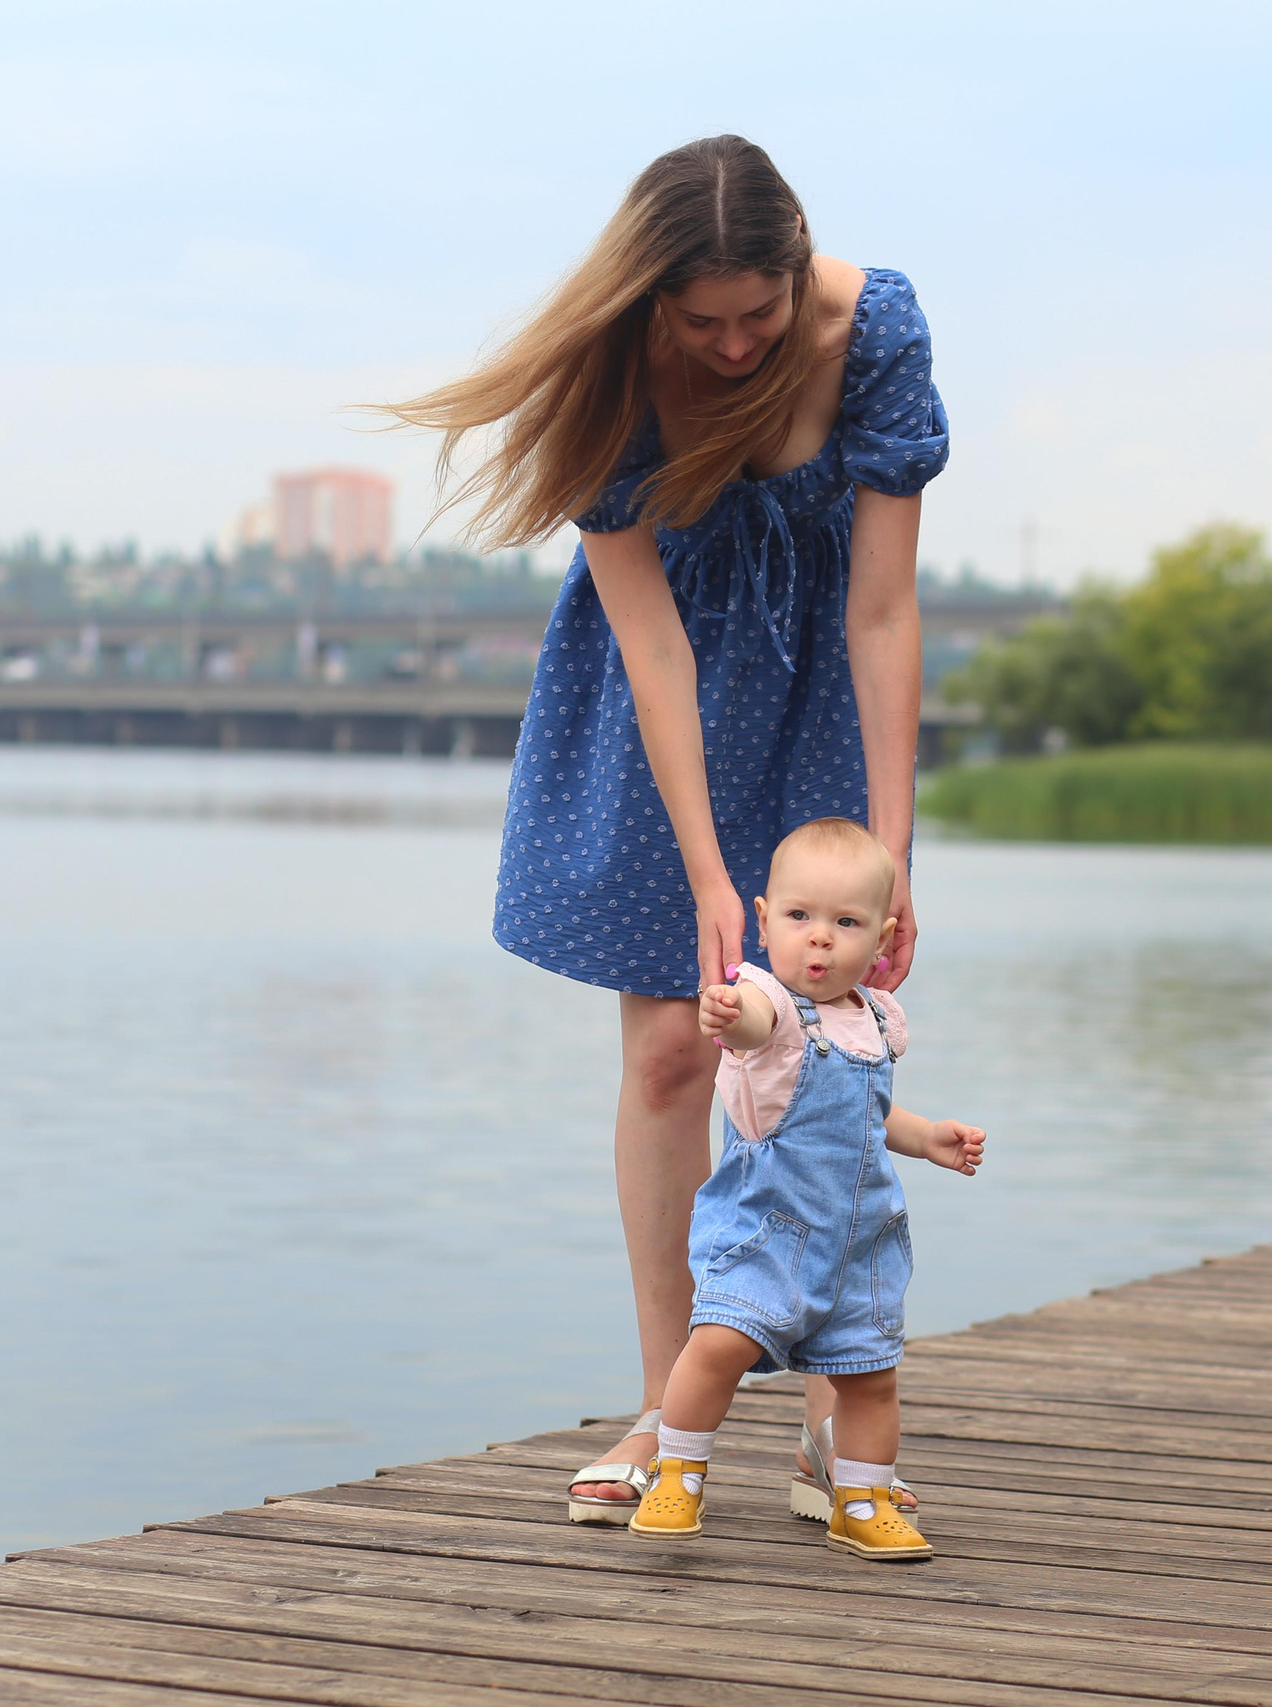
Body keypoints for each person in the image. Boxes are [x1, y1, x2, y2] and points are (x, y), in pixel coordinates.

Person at [382, 136, 949, 1523]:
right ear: (652, 299)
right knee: (663, 1056)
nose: (738, 344)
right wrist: (704, 866)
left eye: (759, 312)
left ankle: (834, 1414)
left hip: (818, 677)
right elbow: (650, 637)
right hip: (664, 703)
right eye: (704, 322)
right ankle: (666, 1400)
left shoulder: (874, 327)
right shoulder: (614, 369)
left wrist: (895, 850)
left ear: (795, 263)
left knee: (824, 1039)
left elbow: (882, 608)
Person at [630, 817, 984, 1559]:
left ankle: (860, 1495)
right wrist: (730, 1013)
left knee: (870, 1378)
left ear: (883, 937)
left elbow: (868, 1115)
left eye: (845, 922)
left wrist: (926, 1139)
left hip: (862, 1242)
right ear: (764, 921)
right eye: (799, 917)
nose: (819, 939)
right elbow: (756, 1029)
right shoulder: (771, 1006)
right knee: (717, 1347)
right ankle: (677, 1468)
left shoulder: (876, 1020)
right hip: (770, 1233)